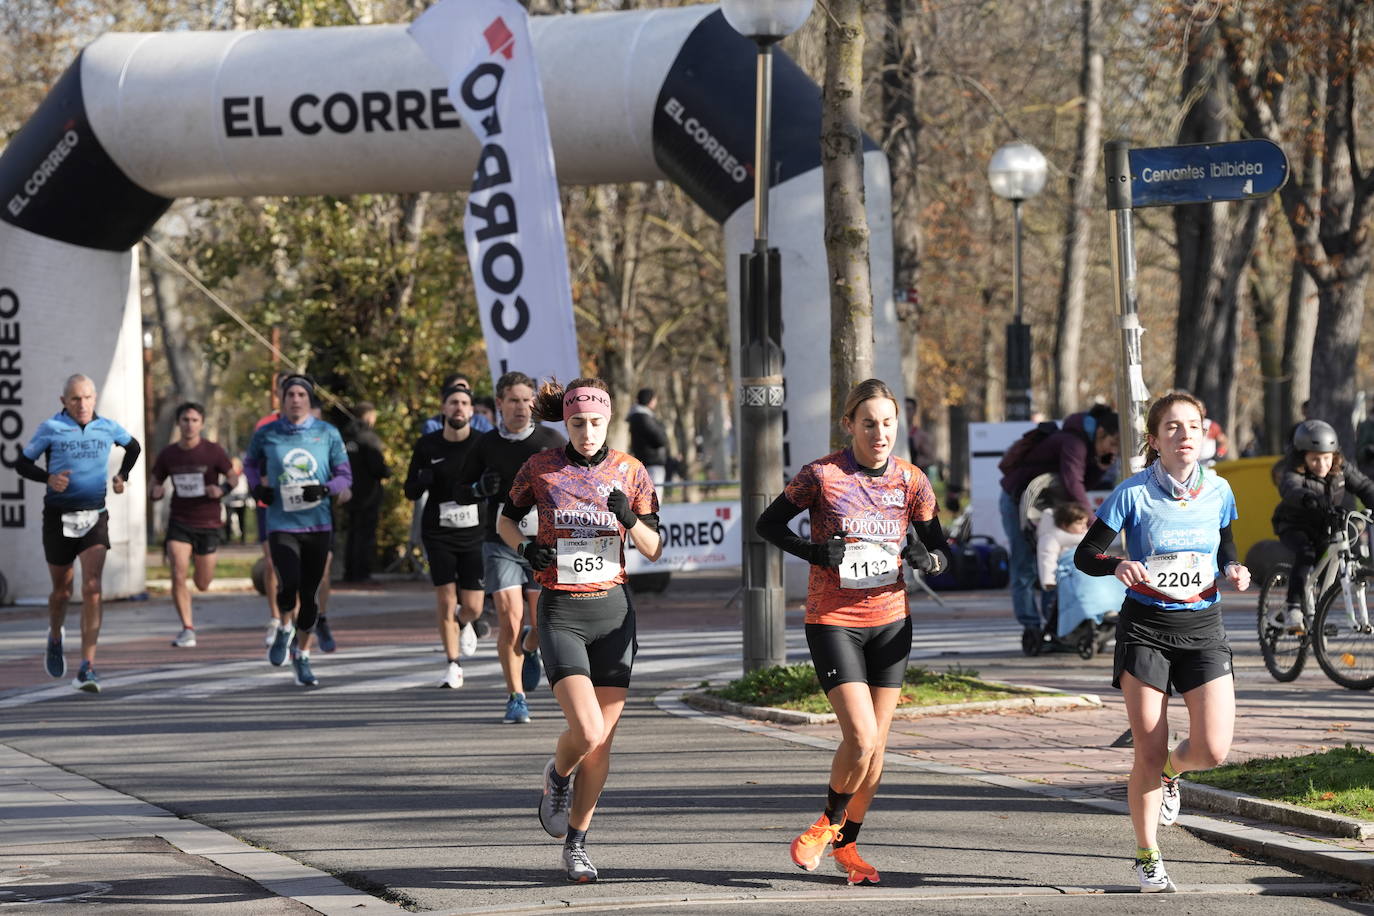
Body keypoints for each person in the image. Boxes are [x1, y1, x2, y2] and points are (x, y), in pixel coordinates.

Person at [756, 379, 950, 886]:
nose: (880, 433)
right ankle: (828, 822)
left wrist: (926, 558)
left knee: (877, 748)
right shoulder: (822, 475)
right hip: (834, 619)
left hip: (891, 622)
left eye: (888, 423)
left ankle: (847, 846)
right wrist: (814, 552)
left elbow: (941, 551)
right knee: (860, 738)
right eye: (869, 423)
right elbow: (769, 525)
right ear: (850, 425)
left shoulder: (912, 481)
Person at [1073, 392, 1250, 893]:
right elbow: (1087, 555)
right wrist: (1117, 564)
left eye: (1193, 426)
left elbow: (1227, 544)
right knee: (1147, 749)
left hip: (1203, 627)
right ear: (1154, 440)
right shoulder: (1131, 494)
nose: (1184, 435)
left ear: (1204, 434)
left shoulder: (1219, 490)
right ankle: (1147, 854)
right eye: (1172, 427)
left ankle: (1175, 771)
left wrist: (1233, 568)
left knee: (1213, 749)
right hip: (1146, 628)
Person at [501, 377, 662, 883]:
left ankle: (576, 843)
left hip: (613, 614)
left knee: (603, 746)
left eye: (595, 422)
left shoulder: (631, 471)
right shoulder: (541, 467)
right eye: (577, 423)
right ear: (564, 423)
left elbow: (654, 546)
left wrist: (630, 518)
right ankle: (556, 774)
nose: (587, 432)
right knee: (587, 731)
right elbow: (506, 522)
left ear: (608, 420)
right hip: (561, 612)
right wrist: (527, 550)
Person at [15, 373, 141, 693]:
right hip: (58, 517)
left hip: (94, 516)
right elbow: (21, 463)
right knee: (62, 591)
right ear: (63, 402)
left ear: (94, 398)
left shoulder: (108, 427)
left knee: (93, 587)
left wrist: (121, 475)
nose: (81, 404)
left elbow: (134, 447)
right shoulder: (51, 428)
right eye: (74, 399)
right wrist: (48, 478)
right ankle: (55, 635)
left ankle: (87, 666)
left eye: (86, 397)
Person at [457, 370, 566, 723]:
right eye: (514, 401)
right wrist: (478, 489)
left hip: (544, 543)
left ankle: (532, 651)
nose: (521, 407)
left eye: (526, 400)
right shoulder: (484, 444)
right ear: (500, 403)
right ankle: (515, 696)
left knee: (539, 622)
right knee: (509, 619)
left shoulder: (550, 440)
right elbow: (459, 490)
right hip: (501, 540)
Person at [245, 374, 352, 687]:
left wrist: (325, 489)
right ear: (282, 399)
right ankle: (283, 628)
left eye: (300, 395)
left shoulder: (327, 433)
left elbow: (345, 476)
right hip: (281, 523)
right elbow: (249, 464)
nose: (295, 399)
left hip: (318, 524)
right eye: (289, 394)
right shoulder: (267, 433)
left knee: (310, 595)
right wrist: (256, 488)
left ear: (309, 400)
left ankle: (302, 655)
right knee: (288, 583)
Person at [999, 404, 1119, 652]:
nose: (1113, 449)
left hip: (1052, 503)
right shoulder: (1072, 443)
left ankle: (1057, 628)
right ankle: (1032, 627)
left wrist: (1101, 464)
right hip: (1019, 501)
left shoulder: (1085, 445)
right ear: (1100, 433)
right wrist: (1095, 523)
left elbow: (1084, 482)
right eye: (1113, 443)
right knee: (1026, 566)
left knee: (1058, 564)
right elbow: (1073, 482)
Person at [404, 383, 487, 688]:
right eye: (453, 402)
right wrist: (422, 480)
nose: (459, 408)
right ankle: (453, 663)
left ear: (472, 410)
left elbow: (496, 480)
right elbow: (409, 490)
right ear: (443, 408)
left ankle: (466, 622)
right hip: (438, 532)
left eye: (464, 403)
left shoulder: (481, 443)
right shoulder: (427, 445)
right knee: (445, 597)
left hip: (475, 532)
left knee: (474, 605)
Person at [150, 402, 236, 648]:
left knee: (202, 582)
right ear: (179, 423)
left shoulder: (213, 451)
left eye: (194, 420)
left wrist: (221, 489)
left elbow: (233, 476)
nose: (189, 425)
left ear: (202, 423)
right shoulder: (168, 454)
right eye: (185, 420)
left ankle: (195, 603)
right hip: (180, 520)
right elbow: (154, 482)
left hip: (208, 522)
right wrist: (155, 491)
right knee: (178, 571)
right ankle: (187, 628)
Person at [1271, 419, 1374, 626]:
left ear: (1334, 455)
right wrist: (1307, 498)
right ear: (1303, 457)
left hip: (1325, 525)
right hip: (1294, 524)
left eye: (1327, 458)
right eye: (1315, 459)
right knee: (1306, 555)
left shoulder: (1340, 467)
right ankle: (1293, 607)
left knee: (1333, 558)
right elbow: (1291, 488)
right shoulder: (1294, 470)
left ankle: (1316, 612)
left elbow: (1363, 486)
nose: (1322, 465)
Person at [343, 402, 391, 583]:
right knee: (365, 534)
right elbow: (378, 467)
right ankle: (361, 572)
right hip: (368, 493)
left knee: (353, 533)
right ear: (369, 416)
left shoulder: (345, 436)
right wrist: (387, 471)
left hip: (349, 492)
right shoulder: (368, 438)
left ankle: (350, 571)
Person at [422, 373, 494, 435]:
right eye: (454, 402)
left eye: (466, 392)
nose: (459, 407)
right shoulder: (432, 426)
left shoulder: (481, 422)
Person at [627, 387, 669, 486]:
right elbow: (661, 439)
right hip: (652, 461)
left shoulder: (636, 416)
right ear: (649, 400)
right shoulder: (644, 418)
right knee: (654, 495)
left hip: (645, 461)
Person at [223, 456, 251, 543]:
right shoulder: (225, 476)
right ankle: (228, 539)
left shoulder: (243, 476)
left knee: (241, 520)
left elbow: (245, 488)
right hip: (229, 501)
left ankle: (243, 539)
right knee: (228, 520)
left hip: (241, 502)